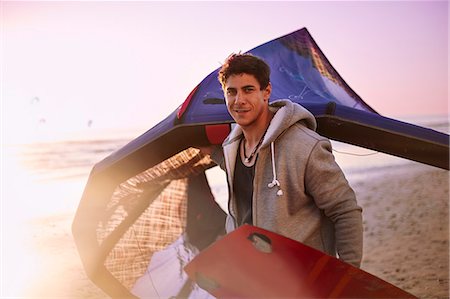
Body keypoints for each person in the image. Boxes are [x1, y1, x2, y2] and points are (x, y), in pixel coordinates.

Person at [207, 53, 363, 267]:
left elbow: (345, 210)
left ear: (266, 92)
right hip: (253, 273)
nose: (239, 100)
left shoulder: (305, 146)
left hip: (303, 276)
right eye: (231, 92)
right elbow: (253, 176)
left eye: (248, 90)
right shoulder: (231, 148)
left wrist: (348, 277)